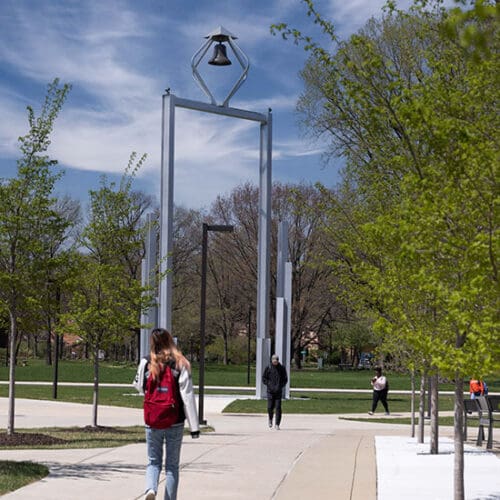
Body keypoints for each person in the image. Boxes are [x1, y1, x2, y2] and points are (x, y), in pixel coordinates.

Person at [133, 328, 199, 500]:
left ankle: (150, 489)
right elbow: (187, 396)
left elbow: (139, 386)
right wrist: (194, 427)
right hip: (174, 420)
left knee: (153, 461)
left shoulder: (146, 362)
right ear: (171, 341)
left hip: (153, 420)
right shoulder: (180, 363)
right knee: (172, 466)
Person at [262, 354, 288, 430]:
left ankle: (277, 424)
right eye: (273, 360)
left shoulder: (282, 368)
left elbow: (285, 379)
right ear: (271, 360)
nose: (275, 362)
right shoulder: (268, 368)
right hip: (270, 391)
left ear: (278, 360)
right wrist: (268, 384)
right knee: (270, 407)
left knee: (278, 408)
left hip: (278, 391)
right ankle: (270, 419)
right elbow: (264, 378)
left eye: (276, 360)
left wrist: (280, 386)